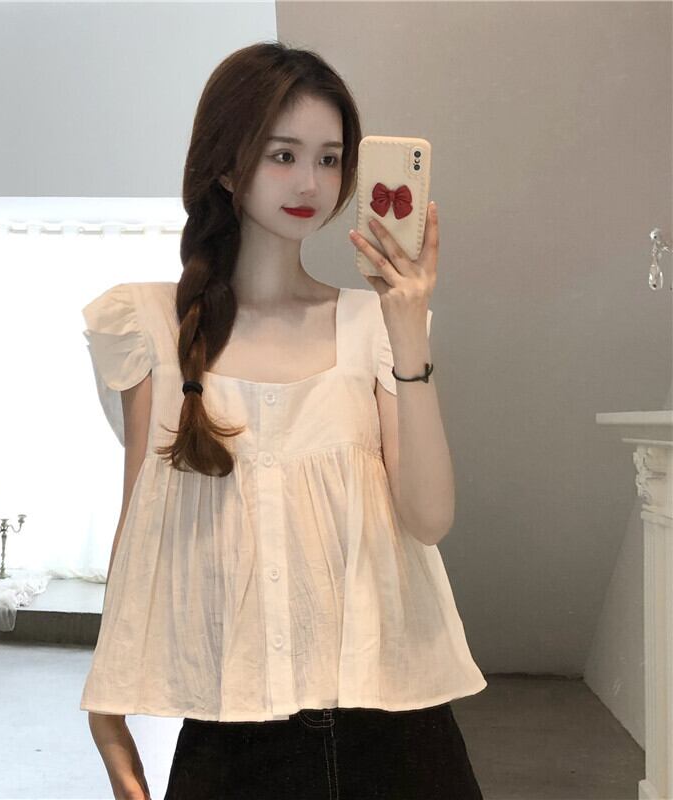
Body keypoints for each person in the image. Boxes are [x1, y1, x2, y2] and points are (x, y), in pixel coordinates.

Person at [82, 40, 487, 800]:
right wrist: (107, 706)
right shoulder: (149, 326)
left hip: (398, 723)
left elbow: (429, 519)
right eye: (283, 154)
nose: (311, 183)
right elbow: (141, 528)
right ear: (226, 166)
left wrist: (408, 330)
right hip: (233, 731)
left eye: (330, 159)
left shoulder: (372, 325)